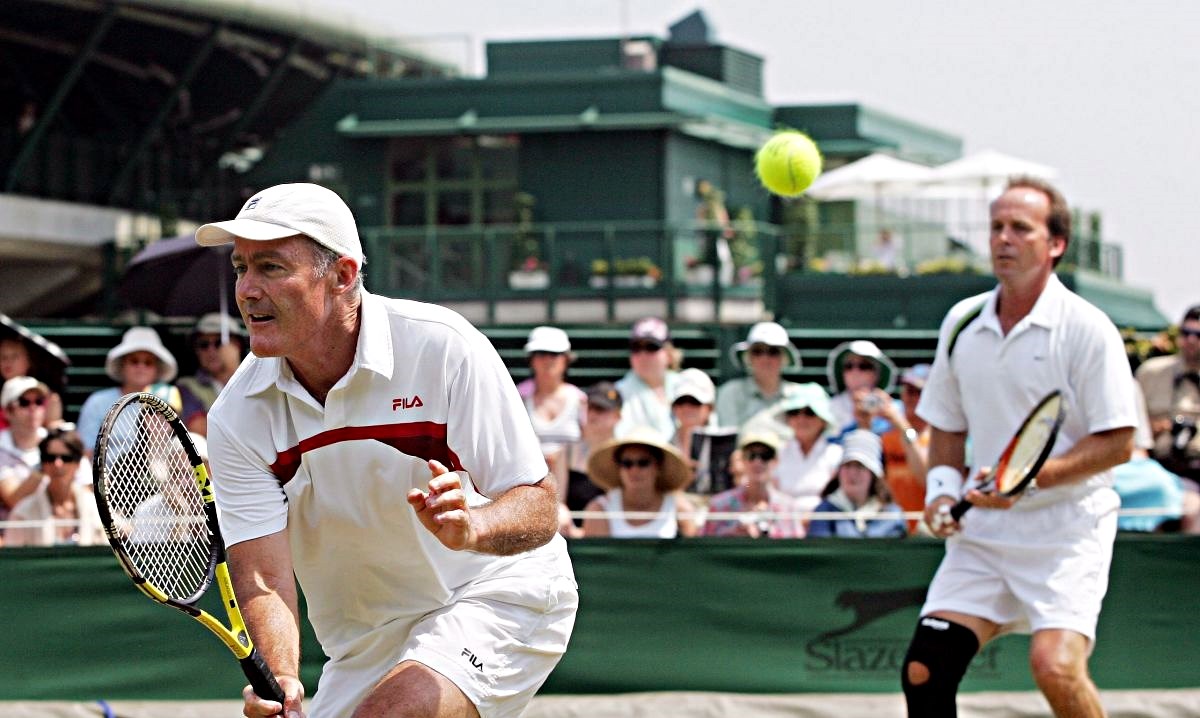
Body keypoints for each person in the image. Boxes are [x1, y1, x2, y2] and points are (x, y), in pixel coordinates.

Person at [194, 182, 576, 718]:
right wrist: (281, 680)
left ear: (344, 275)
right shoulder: (236, 416)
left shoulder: (442, 346)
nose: (248, 289)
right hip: (367, 643)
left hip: (496, 591)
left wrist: (474, 527)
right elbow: (262, 572)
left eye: (272, 268)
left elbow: (539, 505)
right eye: (241, 268)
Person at [903, 177, 1137, 718]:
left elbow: (1120, 442)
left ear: (1055, 244)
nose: (1003, 239)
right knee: (924, 670)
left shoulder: (1088, 329)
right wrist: (940, 491)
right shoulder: (961, 322)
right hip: (983, 536)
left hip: (1067, 531)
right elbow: (947, 426)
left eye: (1020, 228)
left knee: (1055, 667)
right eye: (996, 228)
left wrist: (1028, 480)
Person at [515, 325, 586, 537]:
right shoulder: (517, 398)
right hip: (528, 486)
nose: (547, 360)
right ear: (531, 359)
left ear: (566, 359)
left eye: (554, 354)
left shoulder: (580, 401)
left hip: (574, 491)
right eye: (540, 354)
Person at [76, 327, 181, 457]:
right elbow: (85, 452)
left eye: (148, 362)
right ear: (122, 365)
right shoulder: (97, 402)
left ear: (157, 368)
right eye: (134, 361)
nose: (141, 367)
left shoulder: (169, 400)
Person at [582, 426, 700, 538]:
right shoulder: (599, 510)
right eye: (627, 463)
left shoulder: (679, 509)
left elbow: (691, 555)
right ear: (619, 468)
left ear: (658, 467)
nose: (634, 470)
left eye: (643, 462)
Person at [4, 428, 104, 547]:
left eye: (66, 458)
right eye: (50, 458)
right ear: (42, 465)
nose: (57, 464)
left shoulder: (98, 508)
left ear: (77, 464)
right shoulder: (22, 513)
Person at [1135, 304, 1200, 482]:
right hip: (1155, 467)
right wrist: (1157, 427)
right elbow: (1129, 424)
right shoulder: (1151, 372)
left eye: (1198, 335)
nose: (1191, 340)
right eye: (1186, 333)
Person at [702, 432, 804, 538]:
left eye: (765, 456)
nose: (757, 462)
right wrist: (732, 535)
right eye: (751, 456)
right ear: (742, 460)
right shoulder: (719, 505)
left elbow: (799, 548)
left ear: (775, 461)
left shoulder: (788, 508)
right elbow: (704, 546)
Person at [807, 430, 906, 538]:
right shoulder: (824, 511)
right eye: (847, 465)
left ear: (873, 474)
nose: (852, 473)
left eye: (860, 466)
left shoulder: (891, 515)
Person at [715, 321, 805, 437]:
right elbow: (727, 440)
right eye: (757, 351)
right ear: (748, 357)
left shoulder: (800, 396)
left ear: (785, 358)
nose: (765, 358)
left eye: (773, 351)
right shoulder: (731, 393)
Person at [875, 364, 933, 533]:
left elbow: (926, 479)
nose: (911, 397)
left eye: (918, 392)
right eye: (908, 390)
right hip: (890, 529)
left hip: (926, 529)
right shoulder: (886, 436)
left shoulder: (939, 437)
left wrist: (904, 427)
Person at [771, 384, 843, 511]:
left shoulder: (836, 455)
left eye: (810, 413)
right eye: (794, 412)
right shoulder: (777, 452)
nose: (801, 419)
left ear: (823, 420)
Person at [177, 313, 247, 436]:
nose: (211, 350)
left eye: (218, 343)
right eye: (203, 345)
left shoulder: (258, 377)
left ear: (237, 345)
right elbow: (198, 428)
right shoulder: (187, 386)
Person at [565, 381, 622, 530]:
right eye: (591, 407)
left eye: (602, 409)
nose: (593, 414)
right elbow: (559, 503)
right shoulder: (566, 452)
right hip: (571, 534)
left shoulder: (626, 456)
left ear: (618, 416)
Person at [614, 317, 680, 441]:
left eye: (652, 347)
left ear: (669, 353)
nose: (643, 355)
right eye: (636, 348)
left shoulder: (685, 385)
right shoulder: (619, 392)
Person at [669, 367, 727, 493]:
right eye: (680, 401)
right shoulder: (664, 447)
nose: (686, 407)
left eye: (695, 402)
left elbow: (746, 487)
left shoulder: (726, 444)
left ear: (710, 408)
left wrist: (742, 478)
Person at [824, 339, 897, 436]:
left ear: (877, 374)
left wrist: (896, 421)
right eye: (849, 366)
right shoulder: (828, 409)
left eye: (864, 366)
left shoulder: (895, 408)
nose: (855, 371)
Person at [0, 334, 64, 430]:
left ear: (29, 361)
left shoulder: (48, 397)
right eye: (3, 357)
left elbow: (52, 431)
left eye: (15, 356)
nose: (8, 362)